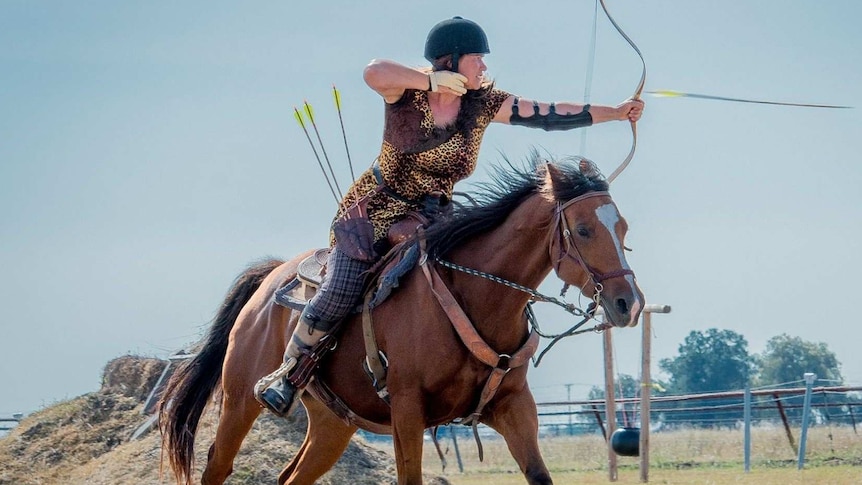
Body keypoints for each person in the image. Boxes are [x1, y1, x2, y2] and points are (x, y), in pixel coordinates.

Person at [255, 16, 644, 417]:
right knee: (340, 285)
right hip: (373, 211)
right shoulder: (406, 91)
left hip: (434, 216)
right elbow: (373, 71)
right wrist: (429, 83)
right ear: (452, 60)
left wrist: (614, 113)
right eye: (477, 58)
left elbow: (547, 113)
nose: (484, 67)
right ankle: (288, 373)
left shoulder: (484, 102)